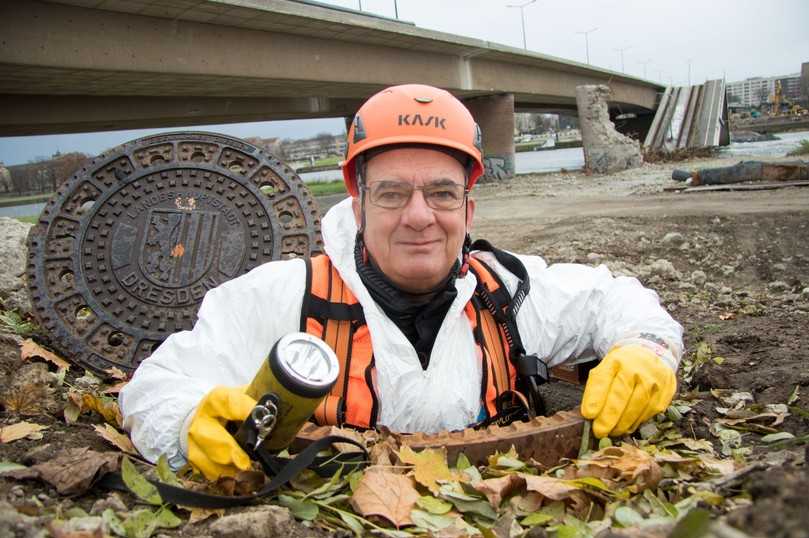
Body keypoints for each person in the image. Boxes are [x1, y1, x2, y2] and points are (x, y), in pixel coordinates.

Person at [120, 84, 682, 481]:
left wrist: (647, 351)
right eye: (392, 194)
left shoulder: (511, 291)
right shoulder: (282, 297)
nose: (419, 216)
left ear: (469, 209)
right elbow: (158, 386)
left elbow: (619, 300)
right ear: (358, 206)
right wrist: (188, 420)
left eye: (440, 193)